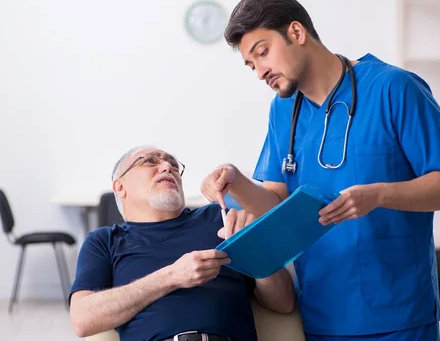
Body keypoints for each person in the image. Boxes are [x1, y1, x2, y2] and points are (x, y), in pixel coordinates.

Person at [200, 0, 440, 340]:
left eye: (263, 52)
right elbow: (277, 206)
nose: (260, 72)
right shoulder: (284, 110)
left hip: (399, 312)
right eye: (251, 65)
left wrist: (379, 195)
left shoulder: (393, 88)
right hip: (322, 314)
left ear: (297, 33)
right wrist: (235, 180)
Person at [69, 146, 296, 341]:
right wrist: (171, 277)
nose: (168, 167)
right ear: (120, 186)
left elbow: (284, 303)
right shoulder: (105, 241)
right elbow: (82, 319)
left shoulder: (222, 218)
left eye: (174, 165)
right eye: (150, 161)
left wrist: (258, 252)